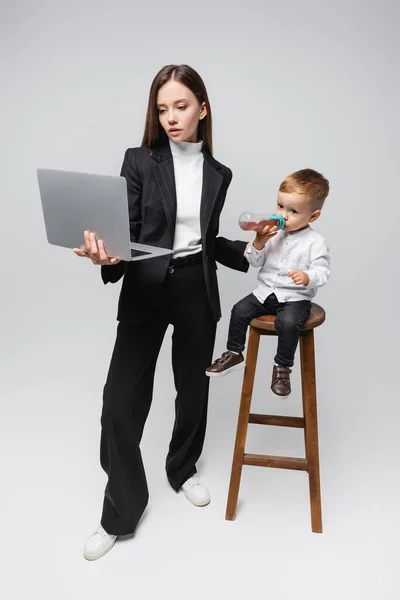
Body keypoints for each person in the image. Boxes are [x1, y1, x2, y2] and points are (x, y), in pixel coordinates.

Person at [73, 64, 249, 561]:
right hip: (148, 286)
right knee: (119, 403)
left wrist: (253, 252)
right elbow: (125, 230)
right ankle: (121, 512)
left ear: (202, 108)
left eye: (181, 106)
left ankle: (183, 469)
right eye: (162, 108)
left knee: (191, 390)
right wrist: (105, 256)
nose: (171, 117)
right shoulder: (139, 160)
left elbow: (209, 239)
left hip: (196, 286)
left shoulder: (219, 173)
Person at [206, 169, 330, 397]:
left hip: (294, 298)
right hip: (265, 293)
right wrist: (259, 242)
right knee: (239, 310)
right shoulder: (273, 233)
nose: (283, 214)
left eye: (293, 211)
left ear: (312, 216)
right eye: (280, 206)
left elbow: (323, 272)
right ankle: (234, 353)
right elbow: (255, 261)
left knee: (289, 322)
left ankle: (282, 367)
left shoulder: (315, 242)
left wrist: (308, 276)